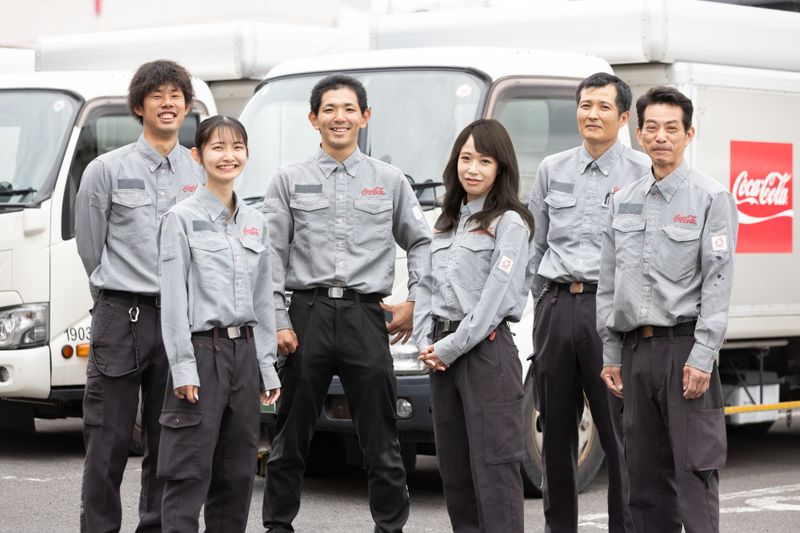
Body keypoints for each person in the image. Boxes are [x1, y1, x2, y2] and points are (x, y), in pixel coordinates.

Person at [261, 74, 431, 533]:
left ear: (365, 116)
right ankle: (278, 526)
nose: (340, 117)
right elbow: (271, 256)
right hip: (306, 315)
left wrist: (416, 299)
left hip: (364, 316)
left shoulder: (390, 181)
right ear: (313, 119)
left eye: (349, 109)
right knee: (290, 437)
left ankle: (389, 528)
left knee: (382, 440)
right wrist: (277, 318)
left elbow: (421, 241)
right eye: (330, 109)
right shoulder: (288, 180)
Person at [597, 86, 738, 533]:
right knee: (643, 479)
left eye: (672, 128)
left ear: (689, 134)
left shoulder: (711, 198)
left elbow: (718, 281)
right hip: (635, 354)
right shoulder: (622, 200)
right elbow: (609, 283)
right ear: (639, 134)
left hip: (684, 352)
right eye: (652, 128)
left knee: (694, 473)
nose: (661, 137)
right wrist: (611, 353)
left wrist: (703, 356)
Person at [75, 60, 204, 533]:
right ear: (138, 107)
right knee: (107, 440)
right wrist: (111, 296)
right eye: (157, 96)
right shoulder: (106, 170)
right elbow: (90, 247)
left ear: (186, 107)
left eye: (176, 96)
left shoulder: (201, 170)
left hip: (182, 322)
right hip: (122, 314)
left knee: (168, 440)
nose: (167, 104)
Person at [527, 72, 648, 532]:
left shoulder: (642, 172)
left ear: (623, 117)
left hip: (611, 316)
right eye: (585, 105)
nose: (592, 114)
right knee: (556, 433)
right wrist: (540, 304)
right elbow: (535, 245)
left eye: (603, 107)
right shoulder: (551, 169)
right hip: (557, 307)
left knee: (619, 435)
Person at [156, 116, 281, 532]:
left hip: (244, 354)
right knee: (188, 471)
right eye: (218, 147)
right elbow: (174, 301)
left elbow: (264, 300)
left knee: (237, 473)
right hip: (202, 352)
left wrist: (266, 367)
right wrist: (182, 367)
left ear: (247, 154)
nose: (229, 156)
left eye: (237, 147)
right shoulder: (180, 219)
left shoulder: (256, 221)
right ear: (198, 156)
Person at [414, 119, 533, 533]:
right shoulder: (447, 221)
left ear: (501, 168)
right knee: (456, 472)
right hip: (441, 354)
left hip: (486, 354)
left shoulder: (510, 223)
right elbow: (426, 286)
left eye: (485, 160)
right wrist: (424, 342)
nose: (473, 169)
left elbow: (493, 302)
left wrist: (449, 347)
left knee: (495, 472)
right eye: (466, 158)